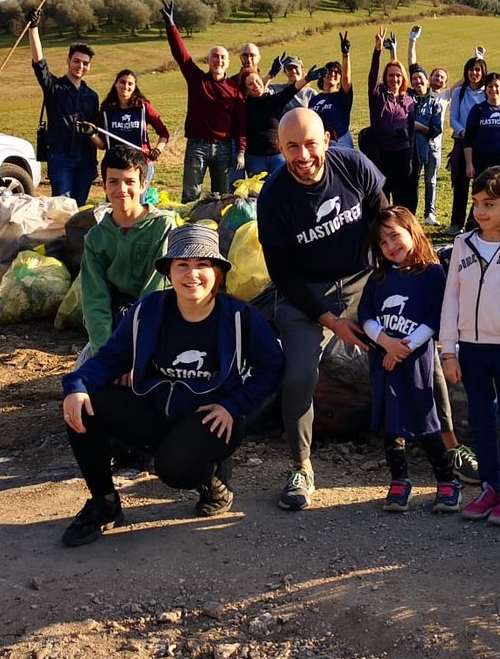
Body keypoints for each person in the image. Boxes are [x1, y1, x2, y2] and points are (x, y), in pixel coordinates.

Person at [57, 223, 284, 545]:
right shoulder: (147, 311)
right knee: (84, 404)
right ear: (169, 272)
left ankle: (211, 478)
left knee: (174, 468)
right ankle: (104, 503)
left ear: (218, 271)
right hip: (155, 409)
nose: (192, 275)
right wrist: (76, 385)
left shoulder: (239, 317)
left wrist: (234, 406)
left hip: (212, 418)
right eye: (183, 265)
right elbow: (111, 358)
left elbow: (272, 366)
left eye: (202, 265)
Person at [256, 108, 387, 510]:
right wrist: (331, 321)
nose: (303, 155)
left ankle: (447, 445)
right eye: (292, 146)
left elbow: (386, 219)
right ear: (280, 147)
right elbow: (284, 277)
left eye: (311, 144)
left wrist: (402, 276)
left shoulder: (354, 166)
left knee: (417, 344)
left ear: (327, 140)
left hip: (362, 275)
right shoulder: (273, 198)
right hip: (306, 290)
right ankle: (301, 465)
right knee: (299, 374)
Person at [440, 165, 500, 526]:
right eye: (478, 203)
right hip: (470, 349)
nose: (481, 211)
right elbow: (451, 298)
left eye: (490, 204)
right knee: (479, 420)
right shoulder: (463, 243)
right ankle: (489, 486)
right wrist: (448, 349)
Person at [358, 207, 459, 514]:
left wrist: (403, 348)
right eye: (383, 243)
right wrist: (385, 343)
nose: (390, 246)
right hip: (384, 362)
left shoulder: (431, 272)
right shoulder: (379, 277)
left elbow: (434, 317)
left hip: (416, 363)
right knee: (392, 424)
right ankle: (399, 479)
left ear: (411, 231)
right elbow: (366, 315)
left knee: (427, 420)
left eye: (394, 236)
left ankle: (446, 481)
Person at [79, 149, 179, 358]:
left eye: (129, 182)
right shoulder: (96, 238)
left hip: (157, 318)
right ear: (104, 185)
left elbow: (156, 289)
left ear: (143, 185)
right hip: (115, 319)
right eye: (113, 182)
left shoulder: (163, 226)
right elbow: (95, 300)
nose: (121, 189)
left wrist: (138, 351)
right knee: (86, 378)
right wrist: (107, 354)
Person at [161, 0, 245, 201]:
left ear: (228, 63)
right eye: (214, 56)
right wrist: (171, 26)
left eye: (223, 57)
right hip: (197, 145)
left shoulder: (235, 89)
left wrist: (240, 150)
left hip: (224, 148)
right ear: (208, 61)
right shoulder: (197, 80)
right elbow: (181, 56)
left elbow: (241, 122)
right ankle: (187, 230)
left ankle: (218, 231)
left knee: (222, 196)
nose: (219, 60)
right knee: (191, 194)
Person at [28, 19, 100, 205]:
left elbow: (97, 130)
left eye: (85, 63)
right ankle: (61, 235)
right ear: (68, 61)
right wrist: (34, 28)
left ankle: (74, 235)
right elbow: (39, 62)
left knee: (80, 206)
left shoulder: (92, 96)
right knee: (61, 206)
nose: (80, 66)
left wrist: (91, 132)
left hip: (86, 159)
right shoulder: (54, 87)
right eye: (76, 61)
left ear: (89, 66)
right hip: (61, 157)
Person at [366, 29, 418, 213]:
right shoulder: (377, 95)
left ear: (403, 78)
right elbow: (373, 76)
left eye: (398, 75)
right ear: (386, 78)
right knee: (381, 199)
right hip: (380, 155)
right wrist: (378, 50)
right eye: (391, 75)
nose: (394, 78)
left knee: (402, 198)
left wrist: (410, 156)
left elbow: (411, 131)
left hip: (402, 155)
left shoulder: (409, 100)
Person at [92, 70, 170, 185]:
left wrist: (157, 150)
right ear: (116, 84)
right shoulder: (106, 110)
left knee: (136, 201)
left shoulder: (143, 107)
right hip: (114, 164)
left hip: (139, 163)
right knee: (114, 202)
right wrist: (91, 135)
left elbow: (164, 133)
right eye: (122, 82)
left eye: (130, 84)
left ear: (134, 86)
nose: (126, 86)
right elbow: (103, 145)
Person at [239, 60, 313, 178]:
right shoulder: (244, 105)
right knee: (259, 191)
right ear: (246, 89)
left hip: (277, 155)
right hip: (255, 157)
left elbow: (291, 90)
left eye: (258, 81)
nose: (256, 86)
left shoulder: (274, 100)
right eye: (251, 84)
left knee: (284, 186)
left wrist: (307, 78)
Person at [445, 52, 488, 232]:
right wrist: (463, 132)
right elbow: (453, 119)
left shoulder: (488, 92)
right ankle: (456, 222)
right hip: (461, 142)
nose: (474, 73)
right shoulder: (459, 93)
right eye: (471, 69)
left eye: (478, 69)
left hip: (482, 144)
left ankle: (475, 223)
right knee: (460, 184)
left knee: (481, 185)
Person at [409, 65, 445, 225]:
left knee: (431, 181)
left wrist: (418, 127)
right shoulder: (408, 99)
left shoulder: (434, 102)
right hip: (411, 148)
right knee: (412, 180)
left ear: (427, 80)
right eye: (414, 79)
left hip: (431, 148)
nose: (418, 81)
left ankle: (429, 213)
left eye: (420, 78)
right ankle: (411, 214)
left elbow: (436, 129)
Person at [309, 33, 355, 148]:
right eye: (329, 71)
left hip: (339, 142)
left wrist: (345, 55)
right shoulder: (314, 99)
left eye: (336, 72)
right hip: (319, 143)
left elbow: (347, 78)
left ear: (340, 78)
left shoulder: (342, 96)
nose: (332, 74)